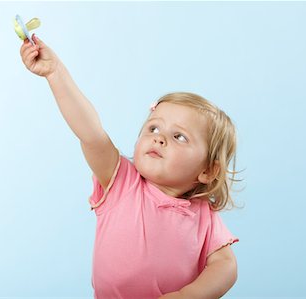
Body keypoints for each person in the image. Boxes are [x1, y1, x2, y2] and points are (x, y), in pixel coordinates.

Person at [19, 33, 240, 299]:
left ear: (208, 170)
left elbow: (226, 266)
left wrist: (188, 295)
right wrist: (55, 73)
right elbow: (90, 133)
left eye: (178, 136)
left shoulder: (203, 215)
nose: (159, 137)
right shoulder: (122, 181)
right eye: (154, 127)